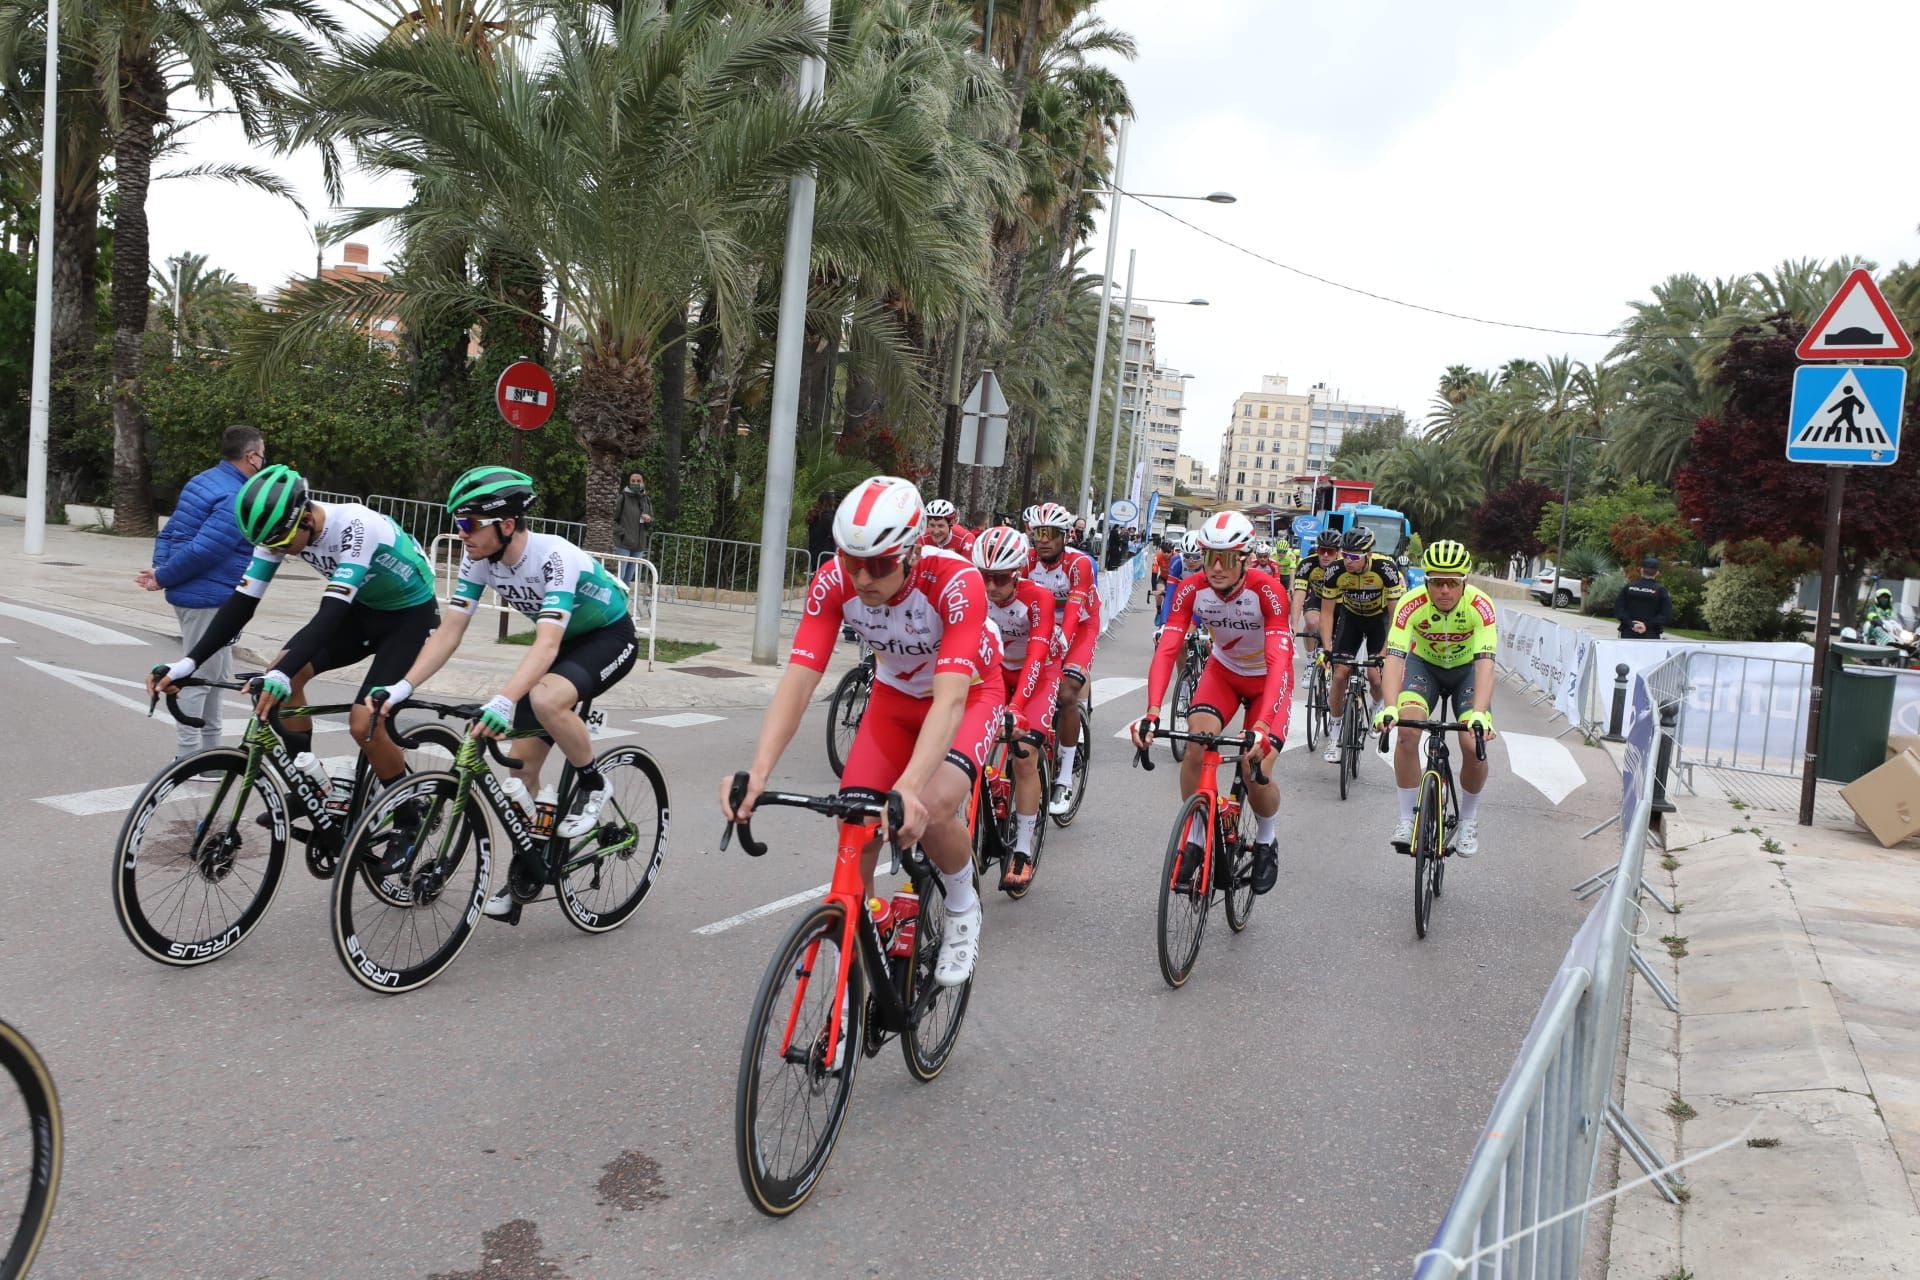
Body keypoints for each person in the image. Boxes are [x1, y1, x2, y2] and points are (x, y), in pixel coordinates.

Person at [720, 476, 1001, 986]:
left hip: (969, 694)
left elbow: (952, 697)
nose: (863, 578)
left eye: (879, 564)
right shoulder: (833, 582)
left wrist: (910, 789)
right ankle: (857, 935)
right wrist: (758, 772)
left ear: (914, 552)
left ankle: (963, 903)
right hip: (893, 701)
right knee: (854, 820)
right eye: (852, 561)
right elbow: (800, 680)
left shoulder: (958, 582)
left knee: (934, 807)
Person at [374, 467, 639, 907]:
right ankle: (531, 866)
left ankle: (593, 783)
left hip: (607, 637)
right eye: (457, 523)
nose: (461, 533)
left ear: (507, 525)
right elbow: (450, 631)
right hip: (560, 646)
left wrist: (504, 698)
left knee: (545, 697)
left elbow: (548, 641)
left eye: (469, 523)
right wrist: (402, 686)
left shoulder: (554, 557)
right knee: (519, 773)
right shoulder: (477, 559)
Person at [146, 465, 440, 831]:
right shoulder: (279, 530)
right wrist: (188, 663)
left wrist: (281, 674)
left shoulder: (356, 526)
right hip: (363, 609)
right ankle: (311, 786)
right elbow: (242, 602)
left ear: (305, 518)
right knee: (283, 674)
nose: (277, 552)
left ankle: (410, 821)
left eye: (282, 544)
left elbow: (330, 613)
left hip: (409, 615)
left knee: (364, 720)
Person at [1131, 510, 1291, 893]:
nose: (1216, 567)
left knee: (1256, 768)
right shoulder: (1191, 589)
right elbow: (1168, 648)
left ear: (1247, 557)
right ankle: (1198, 837)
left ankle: (1267, 839)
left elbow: (1279, 661)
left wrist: (1263, 726)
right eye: (1209, 556)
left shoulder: (1268, 590)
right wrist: (1153, 710)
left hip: (1266, 682)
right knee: (1195, 749)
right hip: (1222, 675)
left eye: (1228, 557)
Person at [136, 424, 265, 760]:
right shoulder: (239, 497)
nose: (263, 462)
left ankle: (211, 756)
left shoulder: (204, 481)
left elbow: (170, 534)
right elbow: (206, 550)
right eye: (262, 455)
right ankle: (190, 758)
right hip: (210, 597)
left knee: (216, 676)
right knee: (201, 678)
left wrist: (162, 573)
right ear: (251, 457)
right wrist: (163, 576)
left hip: (197, 593)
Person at [1373, 540, 1498, 857]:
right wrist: (1389, 706)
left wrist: (1481, 713)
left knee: (1472, 744)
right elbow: (1395, 658)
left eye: (1452, 582)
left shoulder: (1480, 606)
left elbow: (1485, 663)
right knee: (1407, 732)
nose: (1444, 590)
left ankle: (1468, 819)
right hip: (1424, 668)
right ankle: (1406, 819)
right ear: (1426, 581)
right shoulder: (1410, 603)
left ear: (1464, 582)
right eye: (1436, 582)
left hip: (1466, 671)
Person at [975, 525, 1058, 890]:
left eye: (1001, 578)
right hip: (994, 672)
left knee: (1024, 752)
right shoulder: (973, 594)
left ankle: (1023, 849)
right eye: (985, 576)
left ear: (1018, 572)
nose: (991, 587)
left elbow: (1037, 655)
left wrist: (1017, 707)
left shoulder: (1037, 597)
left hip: (1036, 674)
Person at [1027, 501, 1100, 815]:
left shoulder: (1077, 563)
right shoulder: (1026, 561)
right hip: (1040, 624)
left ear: (1064, 536)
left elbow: (1073, 611)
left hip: (1080, 626)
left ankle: (1064, 778)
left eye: (1050, 533)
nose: (1043, 539)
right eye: (1038, 532)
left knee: (1067, 693)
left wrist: (1061, 639)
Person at [1318, 525, 1405, 760]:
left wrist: (1385, 652)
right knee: (1338, 675)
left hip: (1379, 619)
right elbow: (1326, 613)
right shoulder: (1335, 571)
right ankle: (1335, 735)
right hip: (1352, 619)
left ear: (1368, 554)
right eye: (1345, 555)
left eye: (1354, 557)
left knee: (1376, 677)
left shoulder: (1385, 569)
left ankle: (1376, 707)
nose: (1348, 561)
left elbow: (1396, 617)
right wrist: (1327, 648)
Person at [1291, 530, 1342, 657]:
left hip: (1342, 602)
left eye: (1330, 552)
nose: (1325, 555)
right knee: (1312, 622)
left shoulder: (1345, 565)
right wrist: (1294, 625)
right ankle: (1310, 661)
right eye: (1321, 550)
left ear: (1338, 553)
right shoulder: (1307, 564)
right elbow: (1298, 595)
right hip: (1318, 598)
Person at [1615, 557, 1673, 639]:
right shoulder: (1661, 590)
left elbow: (1618, 610)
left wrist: (1631, 624)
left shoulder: (1629, 587)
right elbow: (1666, 614)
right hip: (1650, 633)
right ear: (1657, 573)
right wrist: (1646, 625)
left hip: (1628, 631)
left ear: (1641, 570)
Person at [612, 471, 653, 586]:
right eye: (633, 481)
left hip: (638, 546)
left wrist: (648, 520)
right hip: (624, 544)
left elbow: (650, 524)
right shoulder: (623, 498)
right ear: (629, 483)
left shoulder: (646, 500)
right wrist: (622, 534)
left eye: (638, 481)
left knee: (628, 579)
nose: (636, 483)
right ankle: (616, 602)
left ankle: (623, 603)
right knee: (619, 577)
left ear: (643, 483)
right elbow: (613, 519)